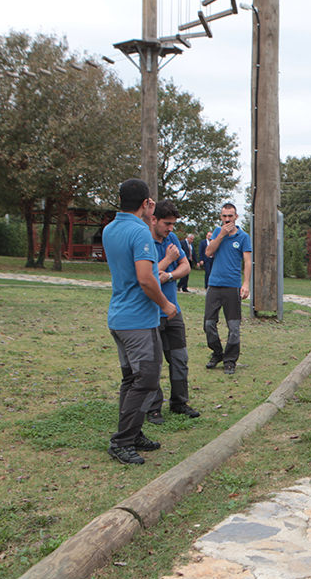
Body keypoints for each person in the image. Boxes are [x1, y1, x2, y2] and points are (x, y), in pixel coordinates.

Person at [102, 179, 177, 465]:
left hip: (119, 317)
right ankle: (122, 442)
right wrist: (166, 304)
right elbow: (146, 279)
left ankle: (131, 433)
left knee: (130, 379)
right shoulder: (140, 233)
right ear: (146, 203)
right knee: (145, 379)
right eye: (152, 201)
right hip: (138, 321)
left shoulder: (110, 229)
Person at [143, 201, 201, 424]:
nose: (170, 229)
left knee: (179, 358)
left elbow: (185, 266)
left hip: (173, 310)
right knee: (153, 363)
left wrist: (169, 275)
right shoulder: (144, 240)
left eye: (173, 224)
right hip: (151, 313)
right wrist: (167, 261)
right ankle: (153, 407)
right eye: (167, 224)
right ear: (154, 219)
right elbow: (146, 274)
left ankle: (179, 403)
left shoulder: (173, 239)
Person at [203, 203, 251, 374]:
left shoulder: (244, 237)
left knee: (234, 327)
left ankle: (230, 361)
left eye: (230, 216)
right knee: (209, 324)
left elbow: (247, 262)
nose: (227, 219)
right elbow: (208, 252)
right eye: (224, 216)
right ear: (221, 217)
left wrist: (245, 284)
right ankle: (217, 353)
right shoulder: (217, 232)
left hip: (232, 286)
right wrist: (221, 235)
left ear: (236, 217)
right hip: (214, 285)